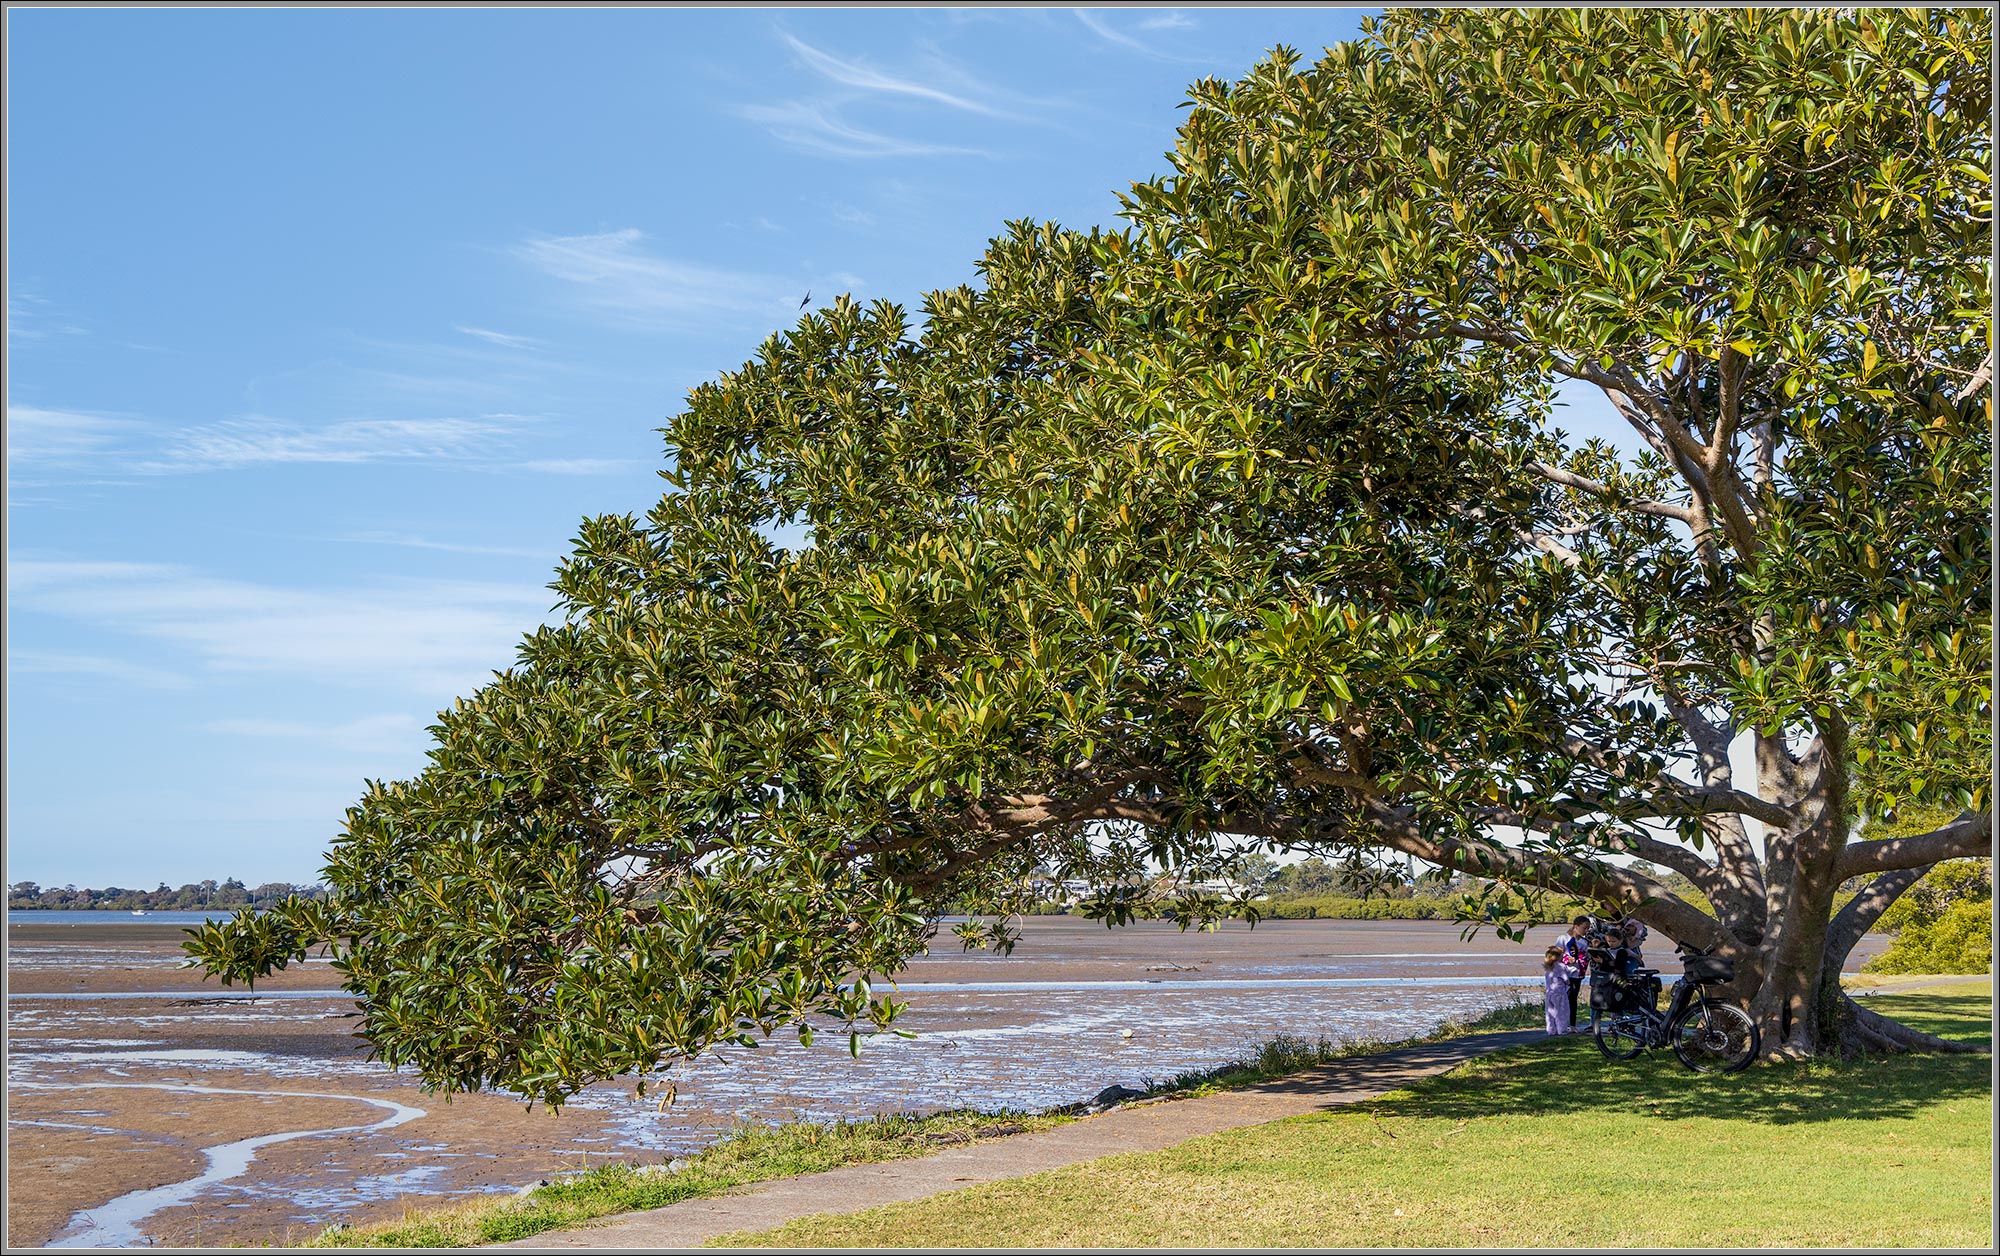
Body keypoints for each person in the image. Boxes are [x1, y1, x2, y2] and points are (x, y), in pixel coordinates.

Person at [1556, 916, 1591, 1033]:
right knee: (1562, 998)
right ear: (1576, 926)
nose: (1586, 931)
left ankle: (1572, 1025)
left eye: (1588, 929)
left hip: (1577, 974)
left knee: (1573, 999)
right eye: (1584, 928)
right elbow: (1556, 955)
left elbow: (1587, 956)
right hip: (1564, 973)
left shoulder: (1584, 942)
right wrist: (1567, 958)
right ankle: (1560, 1023)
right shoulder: (1563, 938)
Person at [1542, 946, 1572, 1035]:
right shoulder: (1560, 966)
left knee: (1550, 1012)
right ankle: (1562, 1029)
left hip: (1549, 992)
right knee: (1561, 1011)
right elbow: (1566, 978)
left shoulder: (1548, 966)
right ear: (1558, 956)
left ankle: (1551, 1029)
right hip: (1559, 992)